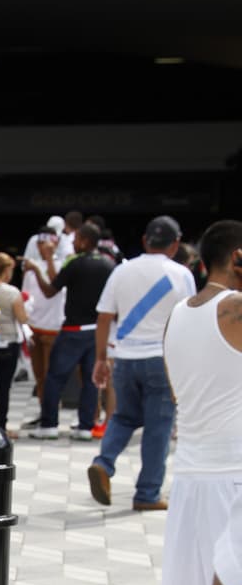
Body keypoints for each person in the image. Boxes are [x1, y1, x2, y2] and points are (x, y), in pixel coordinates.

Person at [160, 219, 242, 585]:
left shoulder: (178, 314)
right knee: (232, 574)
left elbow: (176, 388)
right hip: (233, 468)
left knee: (196, 574)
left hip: (191, 466)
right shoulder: (233, 308)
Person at [87, 215, 195, 511]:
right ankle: (147, 493)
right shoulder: (181, 274)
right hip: (162, 360)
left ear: (145, 240)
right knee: (158, 428)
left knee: (123, 417)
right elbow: (188, 319)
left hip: (125, 358)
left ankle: (103, 463)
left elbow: (104, 317)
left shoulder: (121, 271)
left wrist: (100, 359)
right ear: (176, 244)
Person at [28, 222, 112, 440]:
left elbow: (51, 290)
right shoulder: (108, 264)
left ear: (84, 241)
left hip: (73, 329)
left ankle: (49, 424)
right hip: (96, 330)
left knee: (54, 377)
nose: (73, 243)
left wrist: (38, 269)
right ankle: (86, 426)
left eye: (76, 239)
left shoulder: (75, 263)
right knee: (91, 380)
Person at [21, 214, 68, 403]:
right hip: (34, 327)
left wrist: (48, 259)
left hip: (53, 327)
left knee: (51, 375)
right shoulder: (31, 267)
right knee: (39, 376)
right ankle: (43, 410)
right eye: (40, 244)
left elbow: (55, 287)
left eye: (47, 244)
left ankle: (51, 412)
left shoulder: (62, 265)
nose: (43, 248)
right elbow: (25, 296)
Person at [0, 253, 29, 434]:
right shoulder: (12, 292)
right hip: (9, 342)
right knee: (4, 388)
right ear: (6, 270)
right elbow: (22, 318)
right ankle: (1, 424)